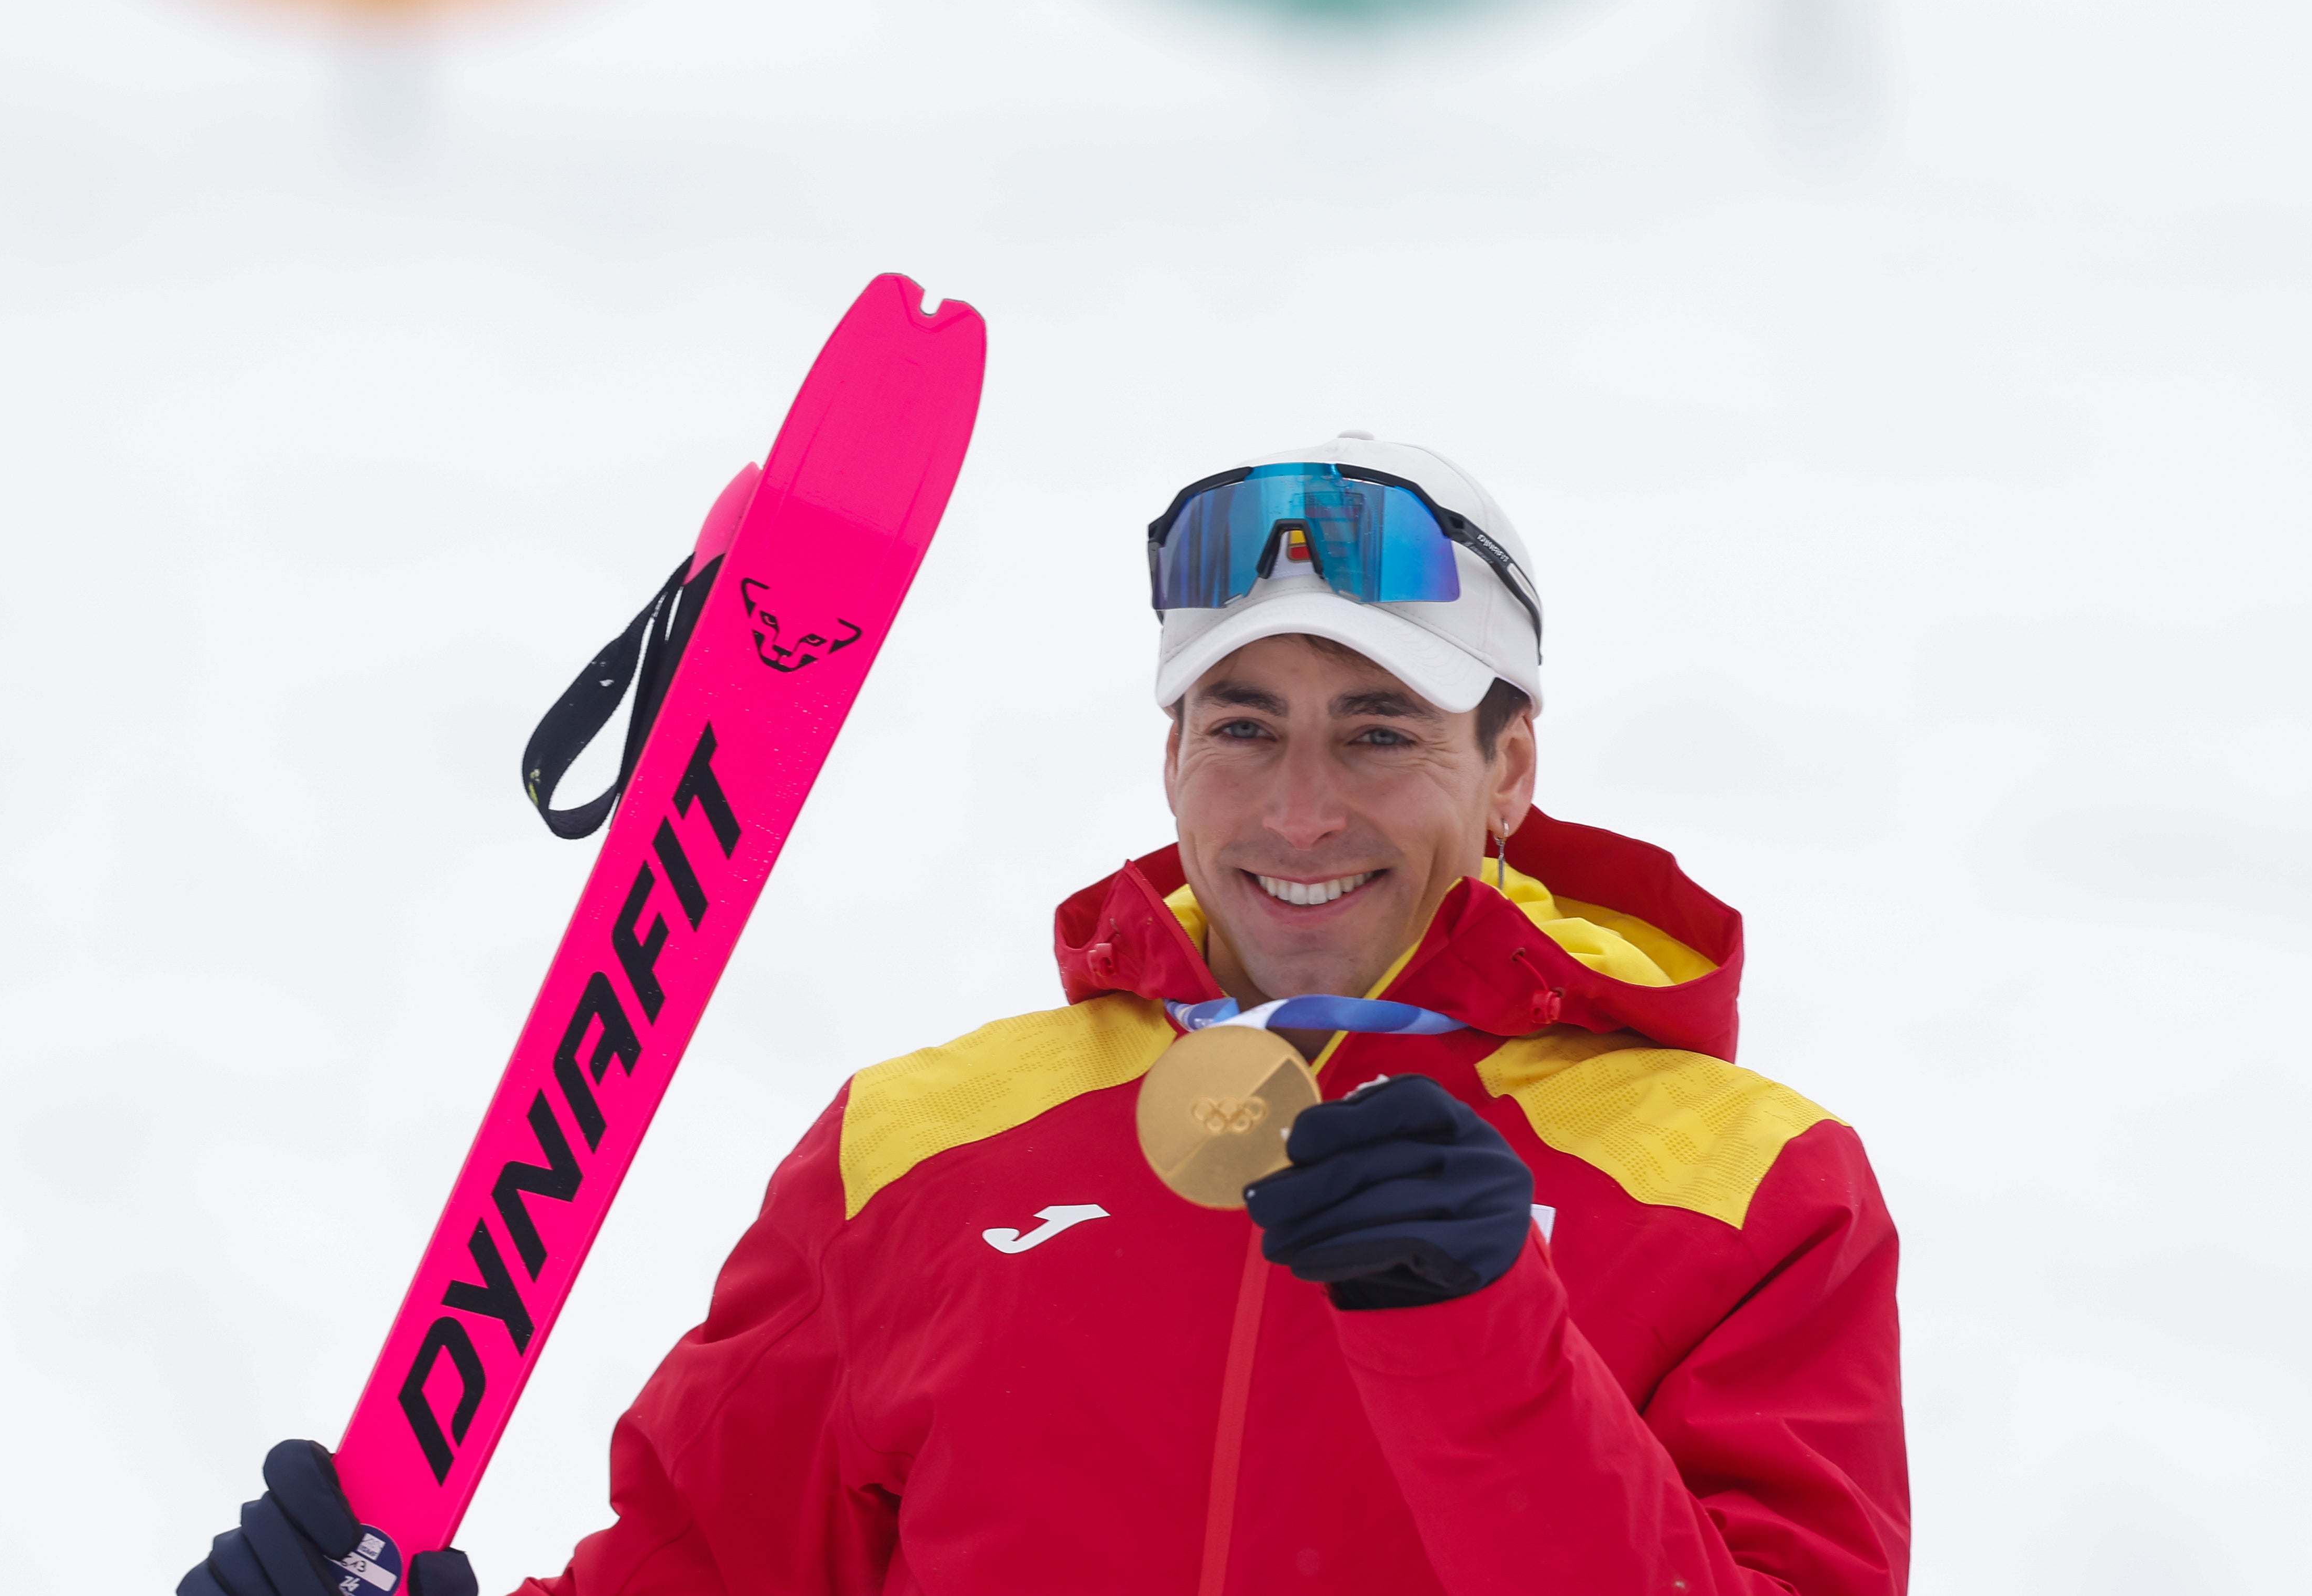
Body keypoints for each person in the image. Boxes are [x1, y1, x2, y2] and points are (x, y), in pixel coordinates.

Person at [183, 436, 1908, 1596]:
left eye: (1378, 733)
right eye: (1241, 728)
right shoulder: (919, 1153)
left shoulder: (1748, 1195)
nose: (1298, 814)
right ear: (1171, 757)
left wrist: (1480, 1341)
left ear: (1510, 769)